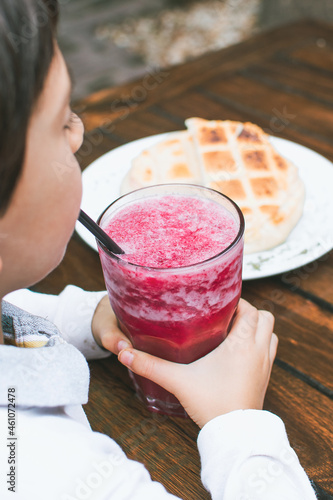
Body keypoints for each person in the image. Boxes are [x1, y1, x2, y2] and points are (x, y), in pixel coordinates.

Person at [0, 1, 317, 499]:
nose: (80, 132)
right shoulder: (40, 462)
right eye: (62, 123)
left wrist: (86, 316)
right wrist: (238, 423)